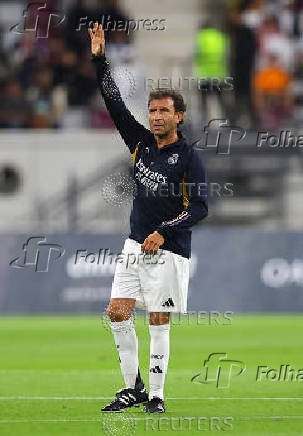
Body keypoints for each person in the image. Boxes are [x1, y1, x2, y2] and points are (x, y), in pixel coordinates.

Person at [88, 22, 208, 414]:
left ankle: (157, 396)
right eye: (153, 111)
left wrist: (163, 230)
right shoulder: (140, 142)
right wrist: (99, 60)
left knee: (158, 319)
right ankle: (133, 387)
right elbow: (114, 102)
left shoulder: (190, 158)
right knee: (117, 312)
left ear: (180, 116)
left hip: (170, 250)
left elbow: (200, 207)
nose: (156, 117)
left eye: (163, 112)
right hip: (134, 243)